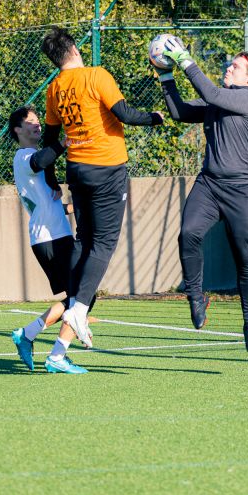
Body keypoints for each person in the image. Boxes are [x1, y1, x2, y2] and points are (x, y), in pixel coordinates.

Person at [40, 27, 164, 348]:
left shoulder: (54, 89)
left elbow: (50, 140)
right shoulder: (96, 76)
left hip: (77, 170)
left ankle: (73, 297)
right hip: (107, 168)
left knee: (85, 238)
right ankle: (78, 309)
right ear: (76, 51)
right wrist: (155, 117)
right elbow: (123, 113)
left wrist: (52, 178)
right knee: (105, 243)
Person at [157, 37, 248, 354]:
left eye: (236, 66)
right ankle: (195, 296)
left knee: (246, 259)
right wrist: (166, 75)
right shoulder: (217, 102)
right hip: (210, 183)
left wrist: (184, 59)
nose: (229, 67)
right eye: (230, 63)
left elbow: (209, 92)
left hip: (244, 189)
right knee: (188, 233)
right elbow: (178, 111)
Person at [7, 105, 87, 375]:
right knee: (82, 296)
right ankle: (54, 354)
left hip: (55, 235)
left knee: (80, 296)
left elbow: (45, 202)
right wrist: (63, 143)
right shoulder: (24, 156)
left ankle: (28, 335)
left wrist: (72, 208)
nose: (37, 125)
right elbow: (39, 161)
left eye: (39, 120)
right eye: (31, 122)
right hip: (49, 239)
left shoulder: (36, 161)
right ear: (17, 129)